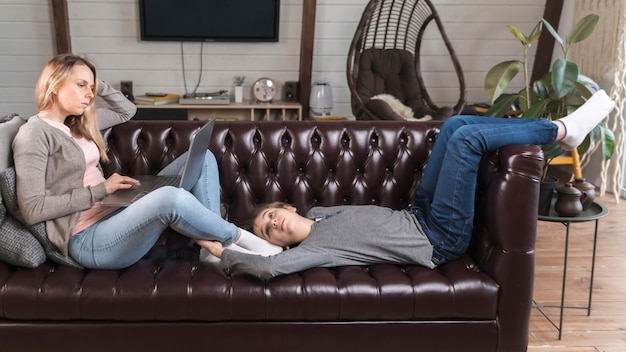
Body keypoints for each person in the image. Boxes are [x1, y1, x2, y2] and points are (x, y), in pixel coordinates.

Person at [197, 89, 616, 279]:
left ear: (288, 207)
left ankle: (561, 129)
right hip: (439, 238)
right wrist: (221, 252)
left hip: (421, 212)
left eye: (271, 215)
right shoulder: (314, 251)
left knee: (455, 125)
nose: (273, 226)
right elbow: (269, 267)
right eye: (268, 232)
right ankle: (562, 129)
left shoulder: (322, 213)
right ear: (281, 242)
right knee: (469, 140)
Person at [13, 53, 281, 269]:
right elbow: (33, 209)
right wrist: (101, 190)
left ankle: (209, 252)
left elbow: (126, 110)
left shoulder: (78, 122)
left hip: (114, 210)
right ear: (55, 84)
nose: (89, 94)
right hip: (88, 238)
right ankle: (240, 240)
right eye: (81, 85)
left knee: (203, 158)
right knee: (169, 198)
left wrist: (94, 80)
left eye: (91, 88)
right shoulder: (33, 134)